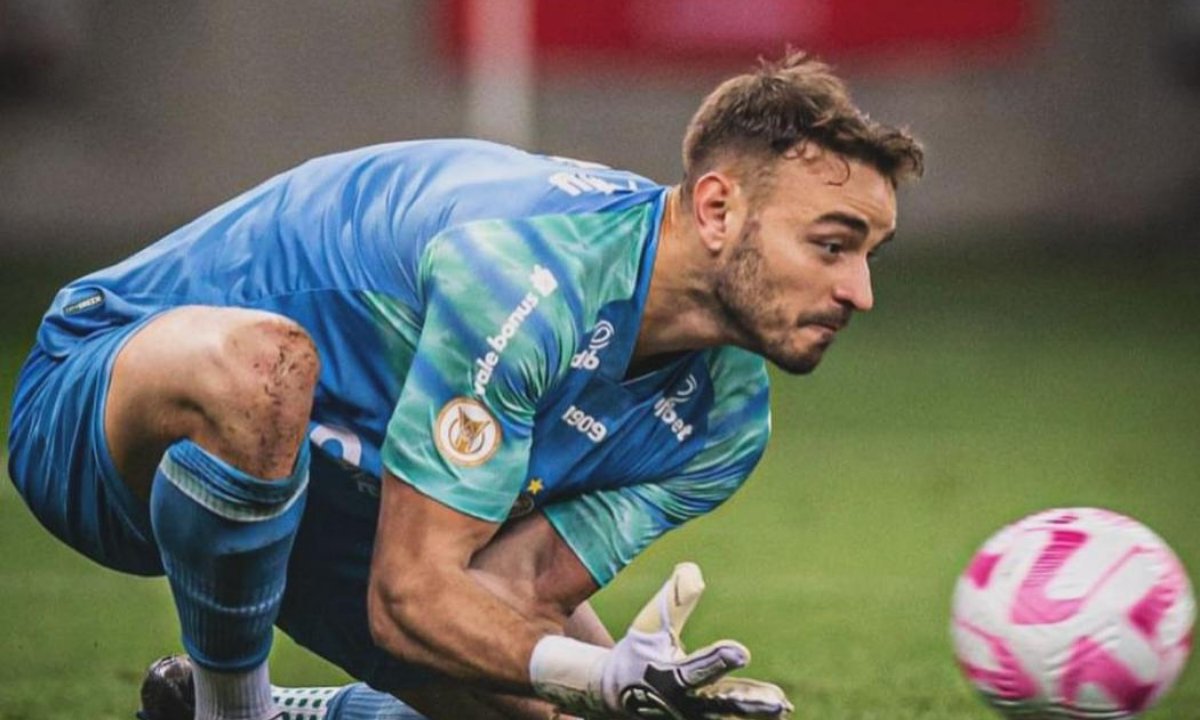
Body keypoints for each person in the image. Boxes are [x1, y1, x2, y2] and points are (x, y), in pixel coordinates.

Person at [7, 51, 922, 720]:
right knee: (266, 367)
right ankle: (231, 710)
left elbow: (515, 594)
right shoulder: (528, 267)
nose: (861, 292)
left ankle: (278, 711)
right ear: (719, 207)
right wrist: (601, 675)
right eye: (832, 245)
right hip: (107, 408)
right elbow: (410, 602)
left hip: (342, 498)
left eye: (869, 256)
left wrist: (631, 696)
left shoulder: (726, 422)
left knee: (556, 708)